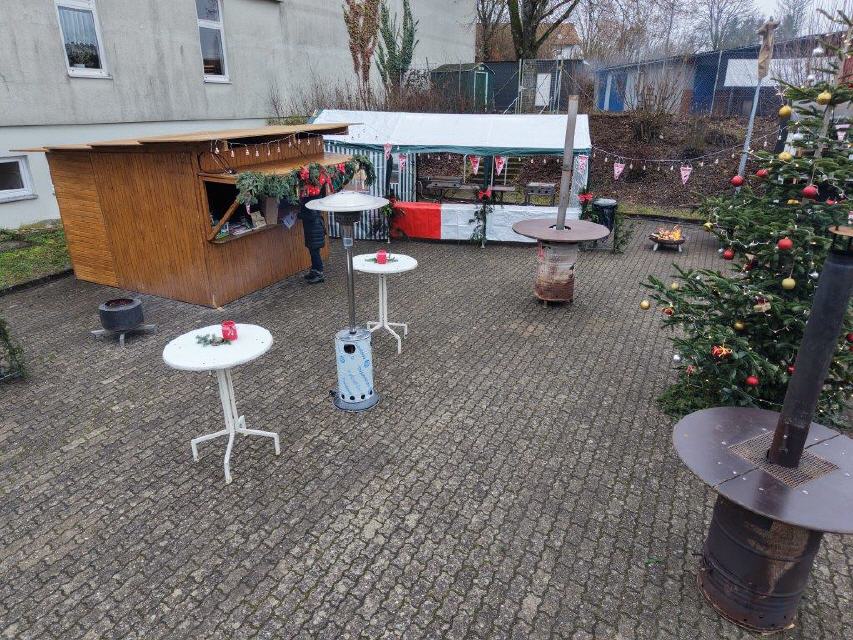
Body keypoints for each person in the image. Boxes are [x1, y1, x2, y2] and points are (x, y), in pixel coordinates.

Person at [299, 195, 326, 284]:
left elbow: (312, 216)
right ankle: (314, 271)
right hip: (313, 230)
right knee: (313, 252)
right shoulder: (314, 200)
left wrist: (299, 215)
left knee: (315, 253)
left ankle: (320, 274)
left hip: (314, 230)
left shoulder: (310, 202)